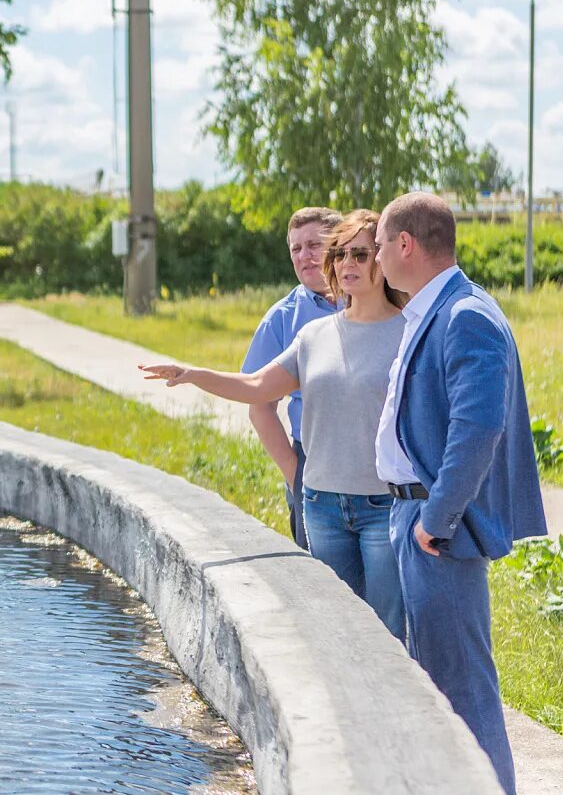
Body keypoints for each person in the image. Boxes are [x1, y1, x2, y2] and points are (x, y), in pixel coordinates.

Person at [138, 210, 408, 639]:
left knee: (386, 629)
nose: (348, 263)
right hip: (322, 505)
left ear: (383, 259)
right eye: (340, 254)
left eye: (360, 253)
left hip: (383, 505)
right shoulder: (313, 334)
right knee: (332, 625)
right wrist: (191, 373)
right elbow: (257, 387)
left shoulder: (410, 332)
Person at [374, 191, 547, 795]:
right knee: (434, 681)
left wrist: (435, 520)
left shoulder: (466, 314)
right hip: (414, 517)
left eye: (378, 243)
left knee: (464, 688)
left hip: (436, 530)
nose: (372, 256)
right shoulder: (435, 308)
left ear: (406, 245)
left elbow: (479, 430)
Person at [241, 207, 342, 549]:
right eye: (296, 248)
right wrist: (293, 471)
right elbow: (258, 405)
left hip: (373, 461)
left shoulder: (372, 301)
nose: (304, 256)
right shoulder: (281, 319)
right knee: (320, 581)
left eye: (314, 244)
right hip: (310, 459)